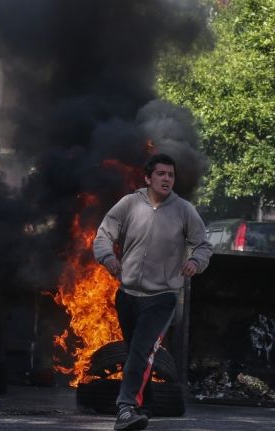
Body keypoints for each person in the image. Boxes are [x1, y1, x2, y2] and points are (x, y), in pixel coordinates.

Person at [93, 153, 212, 431]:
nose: (166, 179)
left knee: (141, 351)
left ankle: (125, 408)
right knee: (136, 351)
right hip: (127, 295)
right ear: (148, 178)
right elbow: (103, 234)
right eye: (161, 174)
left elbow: (203, 245)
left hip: (162, 297)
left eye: (170, 175)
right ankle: (144, 405)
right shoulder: (129, 204)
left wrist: (196, 261)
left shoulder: (184, 210)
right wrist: (107, 257)